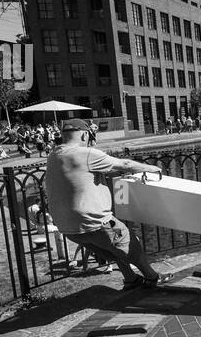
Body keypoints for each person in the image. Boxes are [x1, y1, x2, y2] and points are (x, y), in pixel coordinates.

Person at [43, 119, 167, 289]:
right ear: (84, 134)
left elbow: (82, 173)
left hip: (67, 227)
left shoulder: (54, 155)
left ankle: (130, 280)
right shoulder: (86, 154)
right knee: (130, 244)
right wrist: (152, 169)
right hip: (94, 222)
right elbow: (125, 164)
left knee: (113, 251)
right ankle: (152, 277)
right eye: (90, 136)